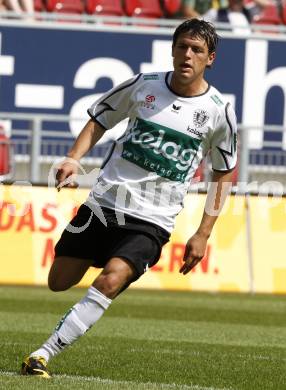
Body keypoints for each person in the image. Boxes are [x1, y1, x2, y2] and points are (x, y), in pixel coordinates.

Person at [20, 18, 237, 378]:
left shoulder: (218, 112)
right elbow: (100, 118)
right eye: (182, 46)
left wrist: (203, 233)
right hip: (104, 206)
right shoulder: (144, 86)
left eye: (196, 50)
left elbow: (224, 171)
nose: (187, 55)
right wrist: (74, 158)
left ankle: (42, 354)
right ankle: (108, 261)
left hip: (153, 219)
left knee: (110, 280)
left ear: (210, 58)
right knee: (59, 281)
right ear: (172, 50)